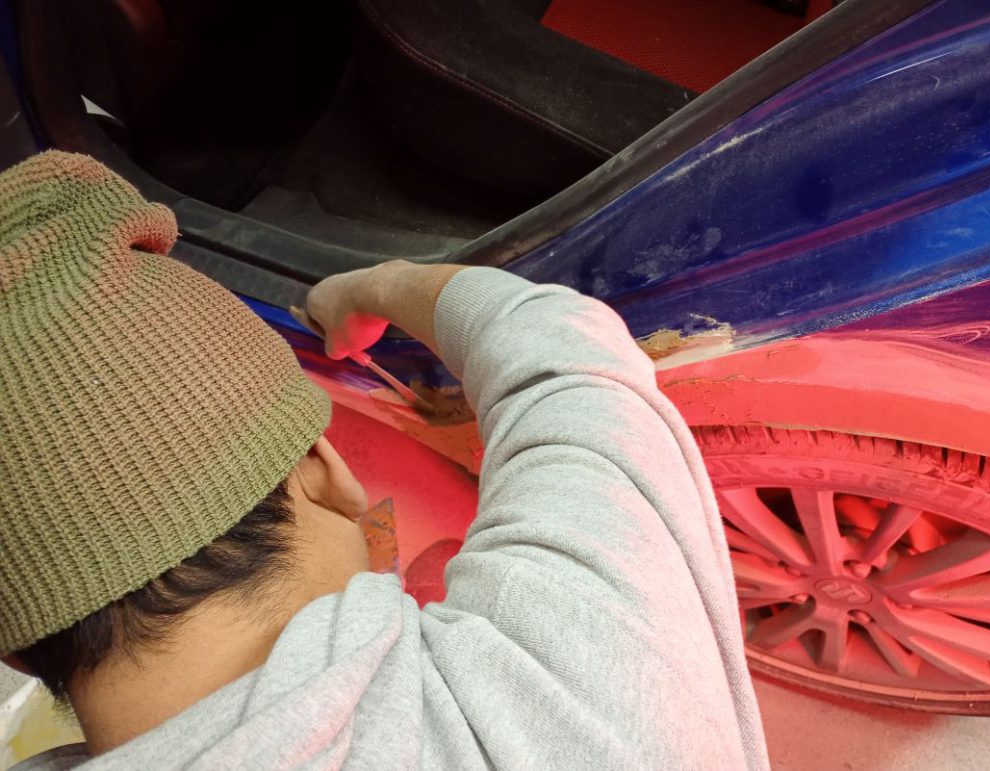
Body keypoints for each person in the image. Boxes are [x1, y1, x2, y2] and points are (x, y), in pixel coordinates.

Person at [0, 151, 768, 769]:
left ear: (20, 653)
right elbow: (563, 348)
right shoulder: (588, 679)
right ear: (324, 472)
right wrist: (374, 286)